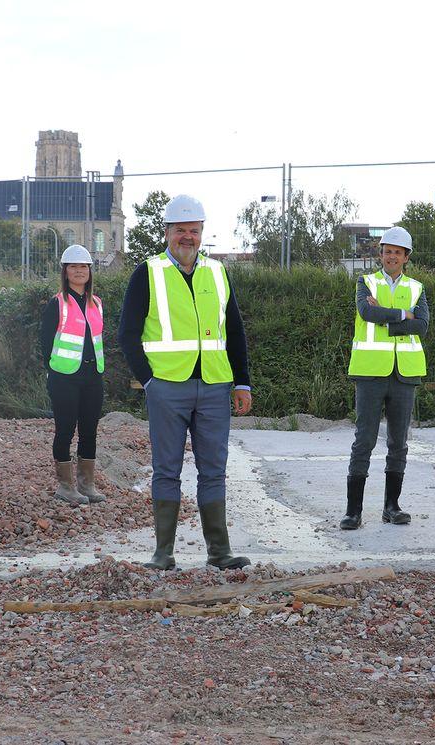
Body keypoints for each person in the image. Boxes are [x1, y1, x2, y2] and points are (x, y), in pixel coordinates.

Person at [118, 194, 252, 570]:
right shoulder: (148, 272)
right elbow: (127, 334)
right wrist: (149, 382)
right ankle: (163, 553)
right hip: (167, 387)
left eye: (194, 231)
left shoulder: (217, 272)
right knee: (166, 469)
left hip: (214, 385)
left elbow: (235, 331)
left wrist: (242, 382)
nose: (188, 237)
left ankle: (219, 552)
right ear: (167, 232)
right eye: (181, 230)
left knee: (214, 469)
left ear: (202, 233)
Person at [340, 226, 429, 530]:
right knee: (364, 440)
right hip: (370, 372)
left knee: (398, 442)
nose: (391, 256)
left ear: (406, 257)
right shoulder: (365, 283)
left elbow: (423, 326)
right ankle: (353, 511)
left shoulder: (417, 288)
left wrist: (390, 317)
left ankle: (392, 507)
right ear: (381, 254)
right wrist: (405, 315)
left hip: (404, 374)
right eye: (387, 251)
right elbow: (366, 312)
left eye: (397, 252)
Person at [39, 244, 107, 506]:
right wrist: (54, 372)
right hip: (64, 377)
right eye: (74, 267)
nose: (79, 271)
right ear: (65, 272)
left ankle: (86, 484)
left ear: (90, 271)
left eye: (84, 267)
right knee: (65, 429)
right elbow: (45, 345)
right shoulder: (57, 304)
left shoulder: (97, 303)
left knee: (90, 430)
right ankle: (65, 486)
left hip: (93, 376)